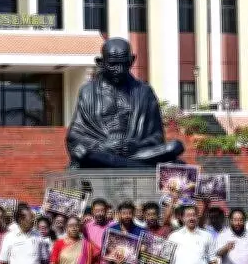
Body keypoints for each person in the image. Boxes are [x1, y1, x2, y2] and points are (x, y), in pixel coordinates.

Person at [66, 37, 184, 168]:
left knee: (175, 146)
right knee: (83, 153)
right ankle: (137, 166)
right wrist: (103, 145)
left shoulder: (144, 92)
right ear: (101, 62)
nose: (119, 70)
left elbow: (157, 137)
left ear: (132, 60)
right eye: (113, 64)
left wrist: (136, 145)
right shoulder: (88, 92)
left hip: (137, 152)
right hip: (102, 152)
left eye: (124, 64)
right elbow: (75, 135)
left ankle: (122, 164)